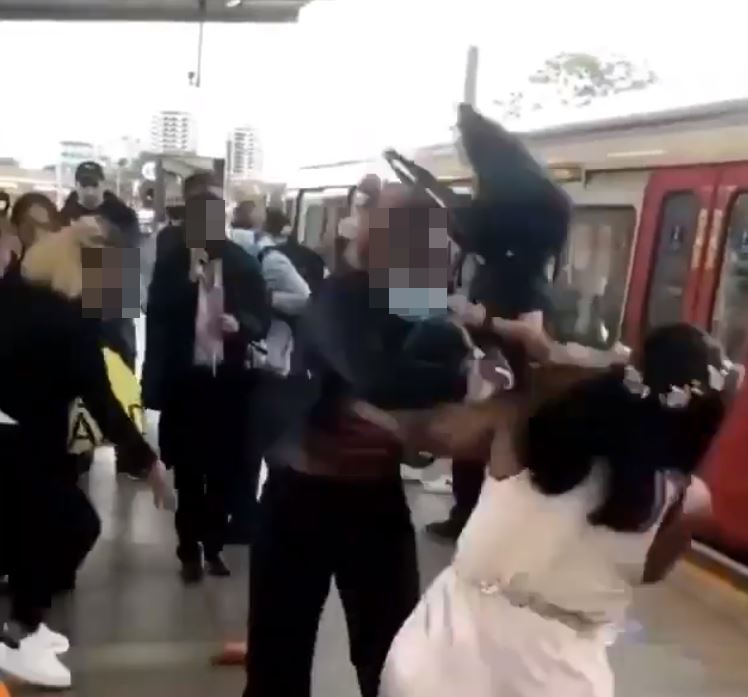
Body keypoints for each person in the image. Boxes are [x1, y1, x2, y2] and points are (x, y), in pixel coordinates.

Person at [243, 182, 509, 697]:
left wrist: (482, 354)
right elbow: (375, 377)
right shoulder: (337, 297)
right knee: (279, 662)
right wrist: (466, 380)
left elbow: (459, 351)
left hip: (374, 499)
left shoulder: (415, 302)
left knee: (393, 660)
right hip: (302, 500)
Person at [378, 323, 728, 697]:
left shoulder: (526, 428)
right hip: (559, 676)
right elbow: (650, 571)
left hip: (441, 658)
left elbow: (426, 430)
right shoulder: (686, 501)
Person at [0, 218, 168, 689]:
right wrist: (148, 461)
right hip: (22, 440)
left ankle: (28, 624)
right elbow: (100, 398)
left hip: (20, 435)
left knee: (29, 531)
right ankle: (19, 633)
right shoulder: (69, 319)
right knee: (75, 526)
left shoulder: (18, 288)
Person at [142, 191, 271, 583]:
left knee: (223, 471)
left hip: (227, 383)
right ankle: (187, 549)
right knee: (187, 471)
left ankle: (213, 546)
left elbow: (261, 316)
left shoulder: (241, 263)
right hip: (186, 381)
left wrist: (241, 324)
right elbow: (156, 311)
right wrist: (187, 283)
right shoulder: (172, 262)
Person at [60, 161, 144, 478]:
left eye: (93, 182)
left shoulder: (122, 214)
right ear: (77, 183)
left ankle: (131, 455)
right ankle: (82, 451)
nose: (89, 188)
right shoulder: (65, 212)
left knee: (122, 377)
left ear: (103, 183)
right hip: (76, 298)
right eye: (84, 183)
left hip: (113, 297)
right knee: (79, 378)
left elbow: (130, 249)